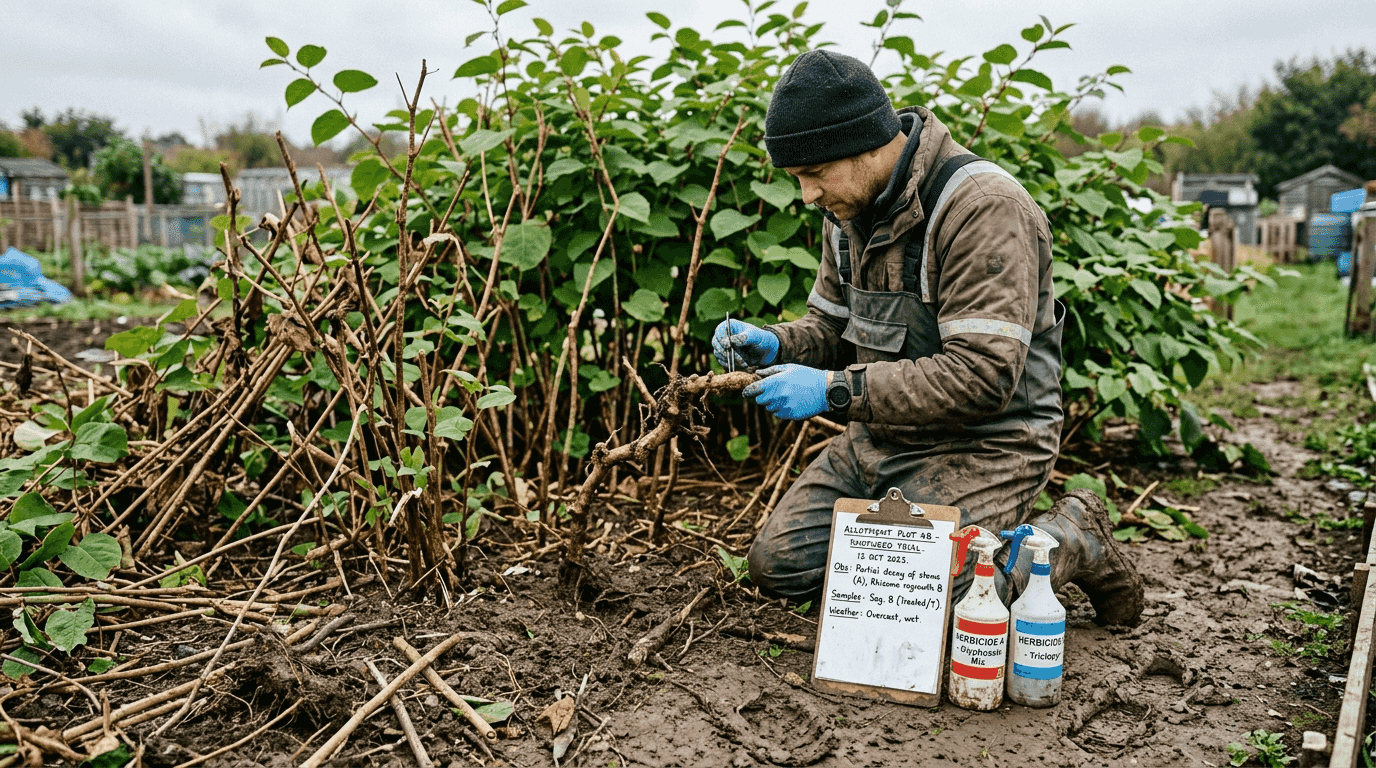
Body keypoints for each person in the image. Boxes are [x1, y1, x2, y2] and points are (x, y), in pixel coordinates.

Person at [713, 50, 1143, 626]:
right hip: (882, 442)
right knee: (779, 567)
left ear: (865, 144)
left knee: (948, 601)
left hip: (987, 443)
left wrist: (833, 391)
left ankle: (1069, 536)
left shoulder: (982, 208)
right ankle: (904, 559)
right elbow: (833, 329)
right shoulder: (847, 211)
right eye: (798, 179)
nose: (807, 195)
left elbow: (982, 375)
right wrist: (780, 343)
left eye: (814, 175)